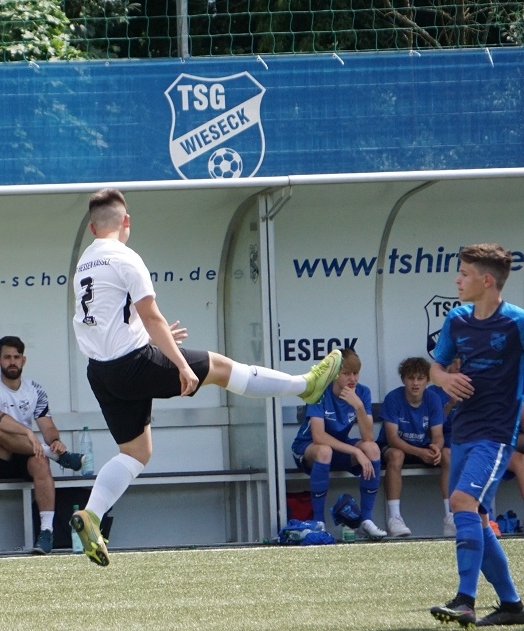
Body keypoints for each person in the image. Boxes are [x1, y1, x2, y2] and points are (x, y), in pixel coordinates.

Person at [69, 188, 343, 567]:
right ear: (126, 221)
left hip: (101, 373)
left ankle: (91, 515)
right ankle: (305, 386)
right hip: (132, 364)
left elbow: (109, 323)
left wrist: (152, 340)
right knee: (219, 368)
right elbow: (151, 315)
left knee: (135, 453)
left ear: (92, 227)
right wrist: (180, 364)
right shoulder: (125, 257)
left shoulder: (85, 262)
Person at [428, 243, 524, 628]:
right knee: (476, 518)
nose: (457, 280)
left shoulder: (517, 322)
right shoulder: (457, 319)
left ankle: (465, 601)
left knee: (462, 500)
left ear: (486, 280)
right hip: (464, 429)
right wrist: (445, 379)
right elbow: (435, 367)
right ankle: (513, 606)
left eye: (464, 274)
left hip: (496, 433)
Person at [0, 335, 86, 555]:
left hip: (26, 455)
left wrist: (55, 442)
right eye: (7, 357)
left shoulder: (35, 389)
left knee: (40, 462)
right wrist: (27, 431)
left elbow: (47, 426)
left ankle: (46, 531)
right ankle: (55, 456)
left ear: (23, 360)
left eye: (16, 357)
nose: (12, 362)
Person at [292, 348, 386, 539]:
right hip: (307, 448)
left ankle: (365, 521)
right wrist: (356, 452)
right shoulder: (320, 391)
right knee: (324, 451)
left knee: (372, 449)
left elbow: (368, 437)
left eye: (356, 373)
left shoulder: (362, 392)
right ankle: (319, 522)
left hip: (338, 447)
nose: (352, 378)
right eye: (346, 373)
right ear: (335, 374)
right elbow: (319, 436)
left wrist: (359, 406)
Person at [376, 356, 447, 537]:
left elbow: (438, 436)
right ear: (403, 379)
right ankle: (394, 518)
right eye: (411, 378)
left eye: (420, 378)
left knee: (448, 455)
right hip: (394, 447)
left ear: (427, 380)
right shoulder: (393, 398)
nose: (415, 383)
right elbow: (392, 439)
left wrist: (436, 448)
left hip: (422, 447)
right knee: (396, 455)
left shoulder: (433, 399)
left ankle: (451, 517)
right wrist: (420, 452)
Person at [427, 357, 461, 536]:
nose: (457, 366)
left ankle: (485, 516)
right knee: (448, 454)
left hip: (468, 439)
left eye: (462, 361)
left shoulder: (472, 387)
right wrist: (451, 404)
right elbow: (435, 428)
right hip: (446, 441)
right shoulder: (434, 392)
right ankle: (450, 515)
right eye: (454, 361)